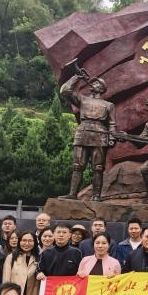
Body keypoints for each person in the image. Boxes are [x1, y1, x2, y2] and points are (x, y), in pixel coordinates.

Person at [60, 69, 117, 200]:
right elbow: (65, 91)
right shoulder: (82, 99)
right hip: (83, 133)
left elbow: (112, 123)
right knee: (77, 166)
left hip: (100, 135)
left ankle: (96, 196)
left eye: (96, 83)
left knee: (98, 168)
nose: (93, 84)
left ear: (102, 89)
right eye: (93, 82)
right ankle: (72, 194)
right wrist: (76, 76)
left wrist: (112, 137)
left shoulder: (108, 105)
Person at [3, 231, 41, 295]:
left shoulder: (39, 258)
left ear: (35, 242)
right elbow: (6, 280)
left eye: (30, 241)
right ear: (19, 241)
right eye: (24, 240)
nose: (27, 243)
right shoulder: (11, 257)